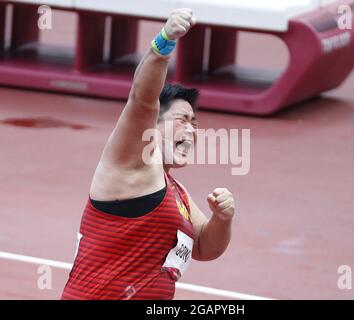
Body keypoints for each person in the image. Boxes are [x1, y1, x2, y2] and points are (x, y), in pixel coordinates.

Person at [62, 8, 235, 300]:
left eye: (195, 124)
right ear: (152, 125)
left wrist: (222, 218)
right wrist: (164, 42)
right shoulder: (132, 161)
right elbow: (142, 99)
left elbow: (204, 245)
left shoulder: (175, 190)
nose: (191, 131)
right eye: (182, 119)